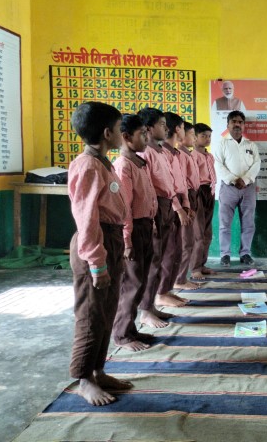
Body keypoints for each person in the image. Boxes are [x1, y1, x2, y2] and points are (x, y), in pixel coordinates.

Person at [67, 101, 132, 405]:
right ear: (107, 133)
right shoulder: (88, 166)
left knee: (107, 310)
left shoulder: (103, 163)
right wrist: (96, 263)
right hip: (96, 243)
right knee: (91, 315)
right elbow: (87, 219)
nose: (121, 134)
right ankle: (83, 379)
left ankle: (98, 370)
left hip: (111, 239)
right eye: (119, 129)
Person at [112, 114, 158, 352]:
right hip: (134, 229)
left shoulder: (139, 163)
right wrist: (127, 240)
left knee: (141, 280)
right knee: (131, 283)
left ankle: (131, 329)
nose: (146, 138)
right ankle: (122, 335)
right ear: (126, 137)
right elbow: (125, 208)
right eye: (142, 134)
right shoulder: (123, 166)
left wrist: (152, 222)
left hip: (145, 225)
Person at [137, 107, 188, 319]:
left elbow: (171, 183)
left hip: (167, 204)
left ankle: (158, 297)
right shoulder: (145, 153)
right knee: (155, 258)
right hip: (156, 207)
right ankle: (146, 308)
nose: (166, 129)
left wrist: (178, 204)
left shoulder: (160, 152)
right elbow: (148, 188)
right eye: (161, 125)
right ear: (148, 128)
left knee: (166, 254)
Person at [215, 110, 261, 267]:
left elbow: (257, 164)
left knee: (248, 223)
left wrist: (245, 180)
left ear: (244, 125)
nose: (237, 124)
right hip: (228, 188)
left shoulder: (251, 145)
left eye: (240, 122)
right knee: (224, 224)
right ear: (228, 125)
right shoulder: (222, 144)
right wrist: (234, 180)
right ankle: (225, 255)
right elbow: (218, 165)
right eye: (233, 121)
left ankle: (245, 253)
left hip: (248, 188)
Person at [173, 120, 200, 288]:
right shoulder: (180, 156)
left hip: (190, 196)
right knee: (185, 242)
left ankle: (181, 277)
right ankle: (179, 279)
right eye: (191, 134)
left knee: (188, 241)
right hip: (185, 196)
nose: (194, 138)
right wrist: (185, 204)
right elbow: (182, 181)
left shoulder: (187, 154)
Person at [189, 123, 217, 279]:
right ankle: (194, 268)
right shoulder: (192, 156)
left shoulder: (209, 156)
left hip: (209, 192)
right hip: (198, 191)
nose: (207, 139)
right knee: (198, 233)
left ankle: (202, 264)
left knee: (207, 233)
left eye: (209, 136)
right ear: (194, 138)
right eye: (203, 136)